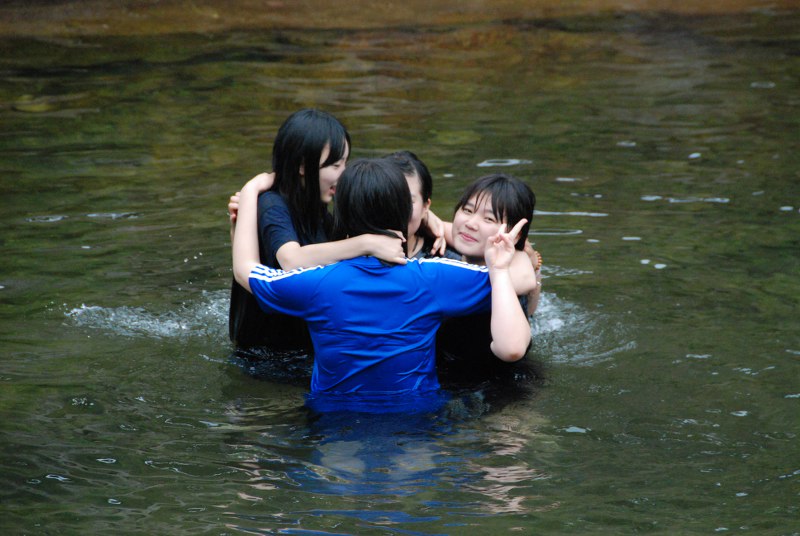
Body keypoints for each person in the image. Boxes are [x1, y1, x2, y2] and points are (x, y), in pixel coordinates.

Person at [232, 158, 530, 413]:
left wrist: (250, 193)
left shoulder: (316, 282)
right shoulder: (434, 277)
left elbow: (244, 270)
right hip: (417, 426)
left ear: (341, 213)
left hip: (335, 427)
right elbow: (513, 293)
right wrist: (507, 260)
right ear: (407, 212)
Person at [227, 109, 405, 369]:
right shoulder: (272, 204)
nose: (343, 174)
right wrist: (367, 242)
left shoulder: (319, 211)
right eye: (335, 165)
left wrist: (427, 219)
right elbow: (291, 260)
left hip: (305, 350)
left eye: (345, 163)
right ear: (302, 165)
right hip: (266, 357)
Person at [437, 173, 543, 387]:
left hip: (506, 388)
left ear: (515, 235)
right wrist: (430, 220)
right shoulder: (442, 258)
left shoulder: (514, 271)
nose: (470, 224)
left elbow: (512, 350)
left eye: (489, 219)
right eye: (467, 210)